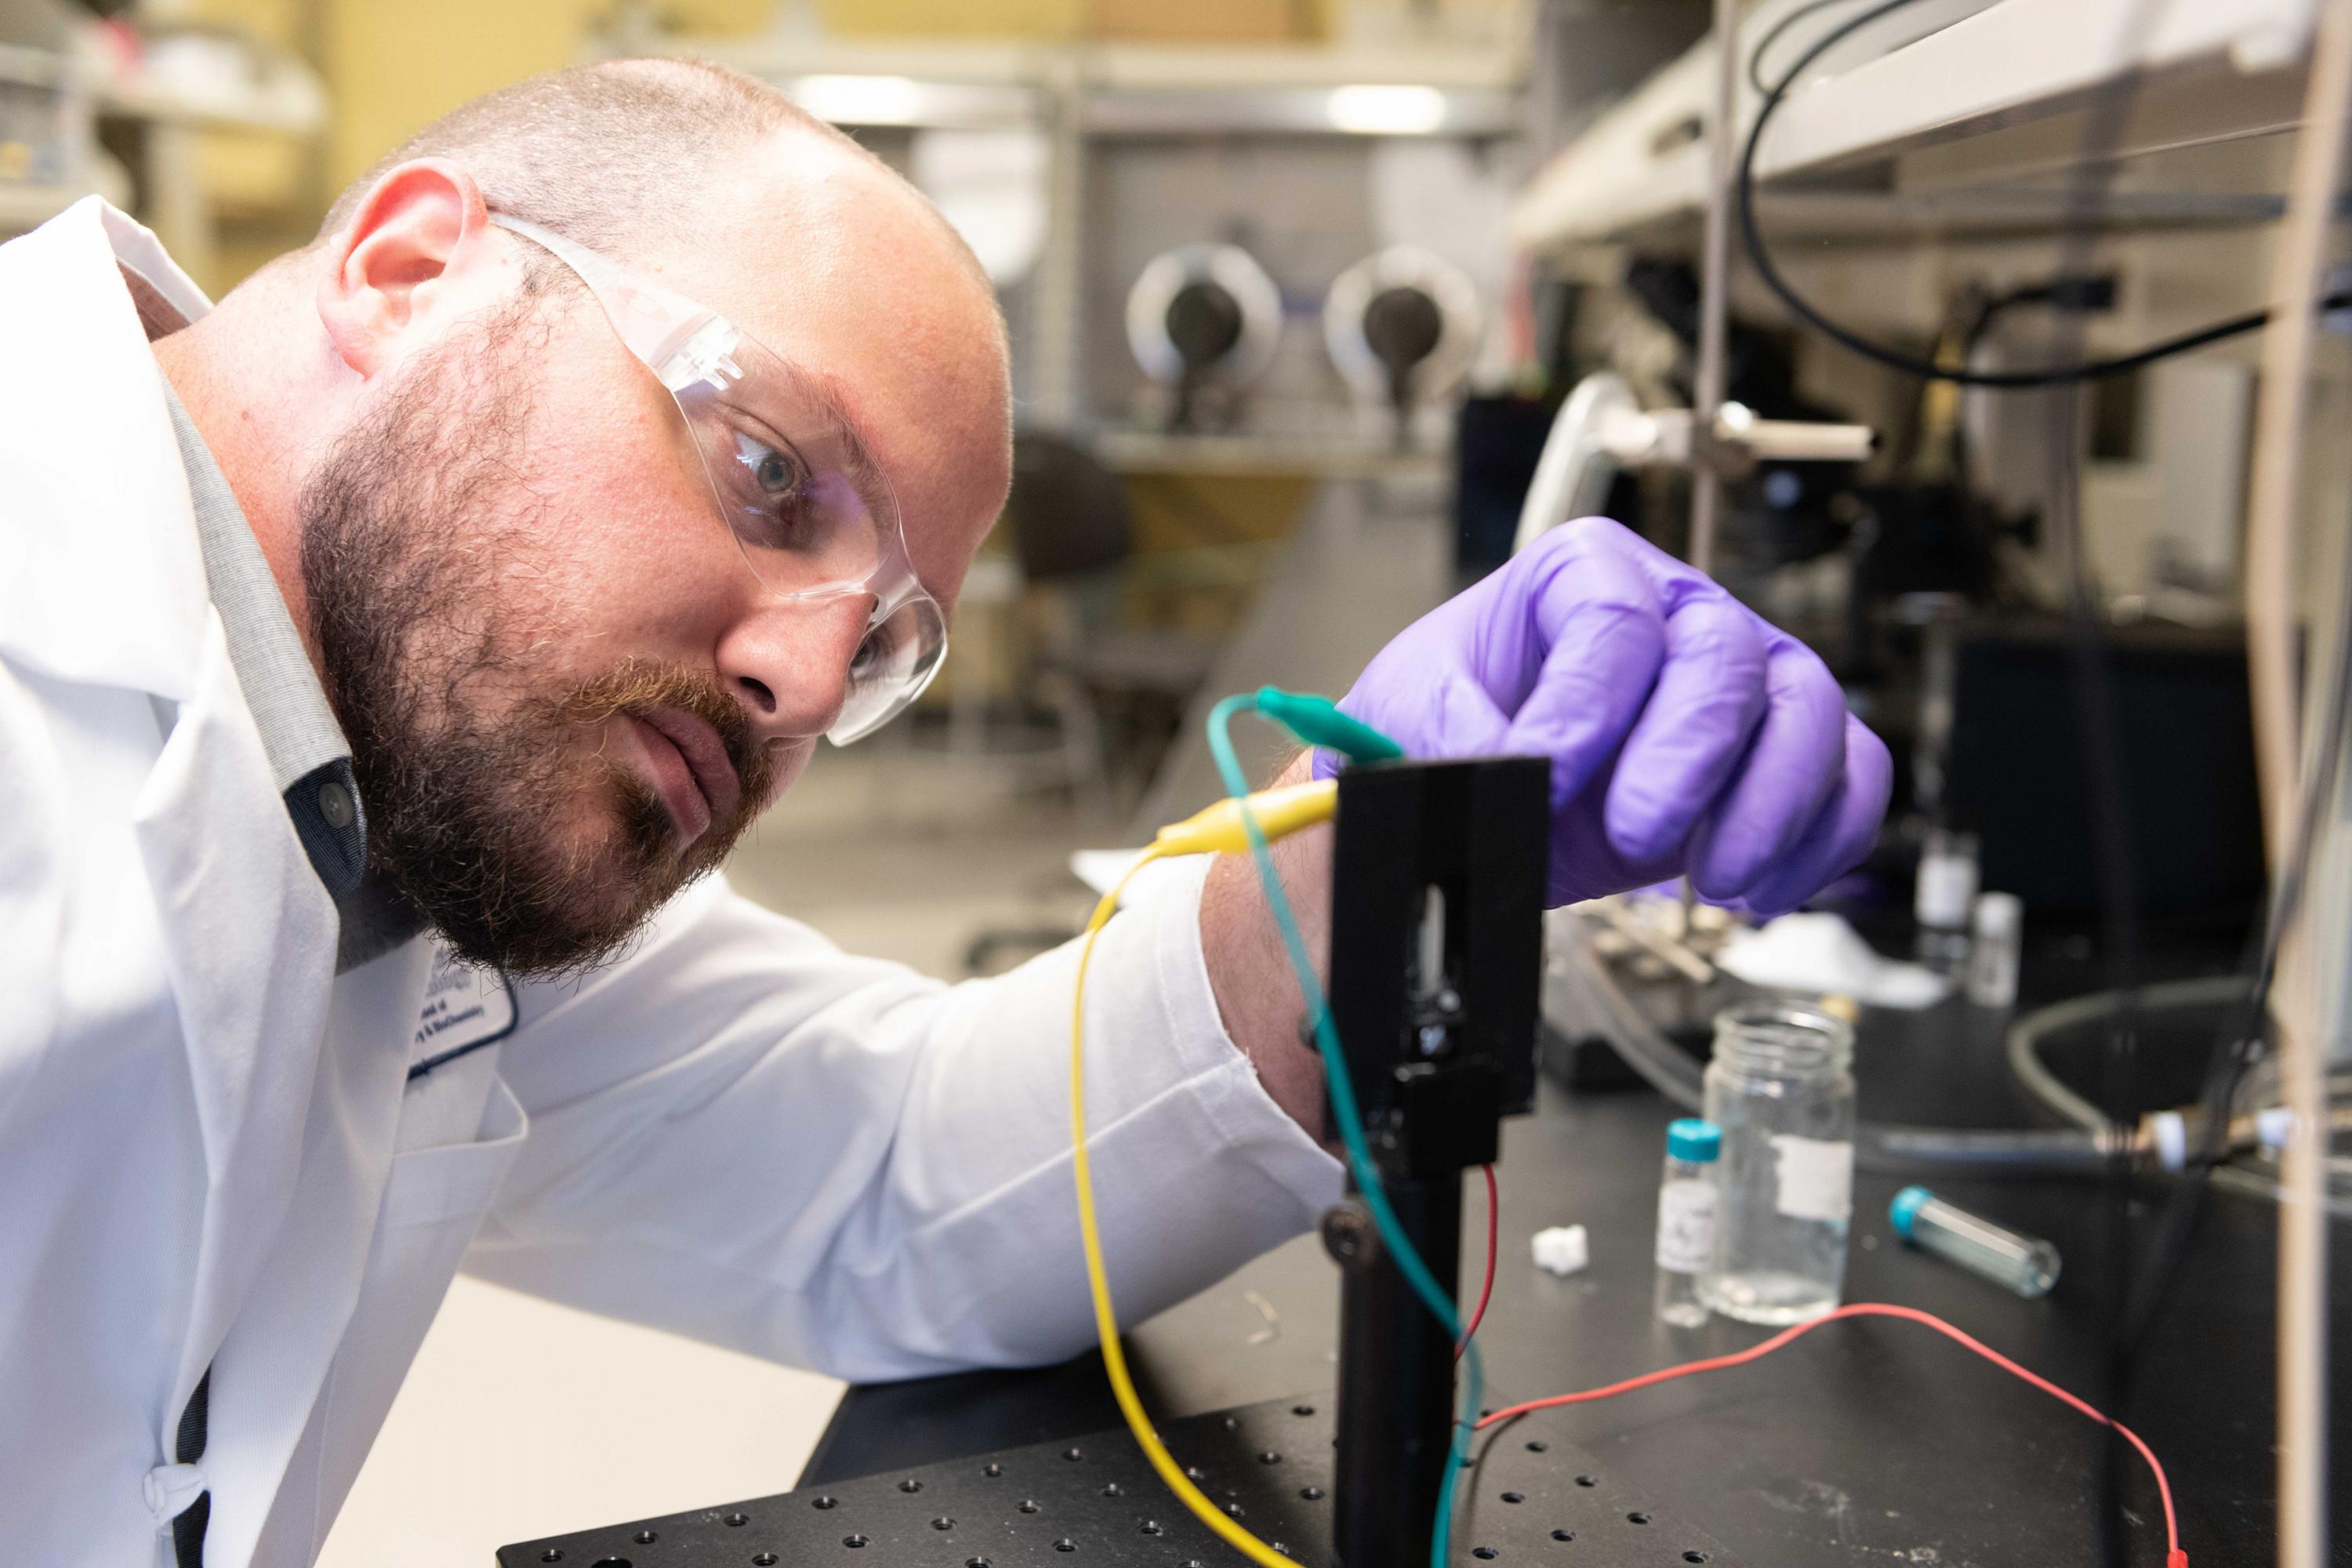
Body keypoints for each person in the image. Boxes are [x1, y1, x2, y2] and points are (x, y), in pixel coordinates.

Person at [0, 58, 1888, 1568]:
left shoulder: (401, 811)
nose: (811, 688)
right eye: (766, 472)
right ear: (408, 269)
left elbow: (893, 1176)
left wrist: (1362, 848)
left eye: (889, 638)